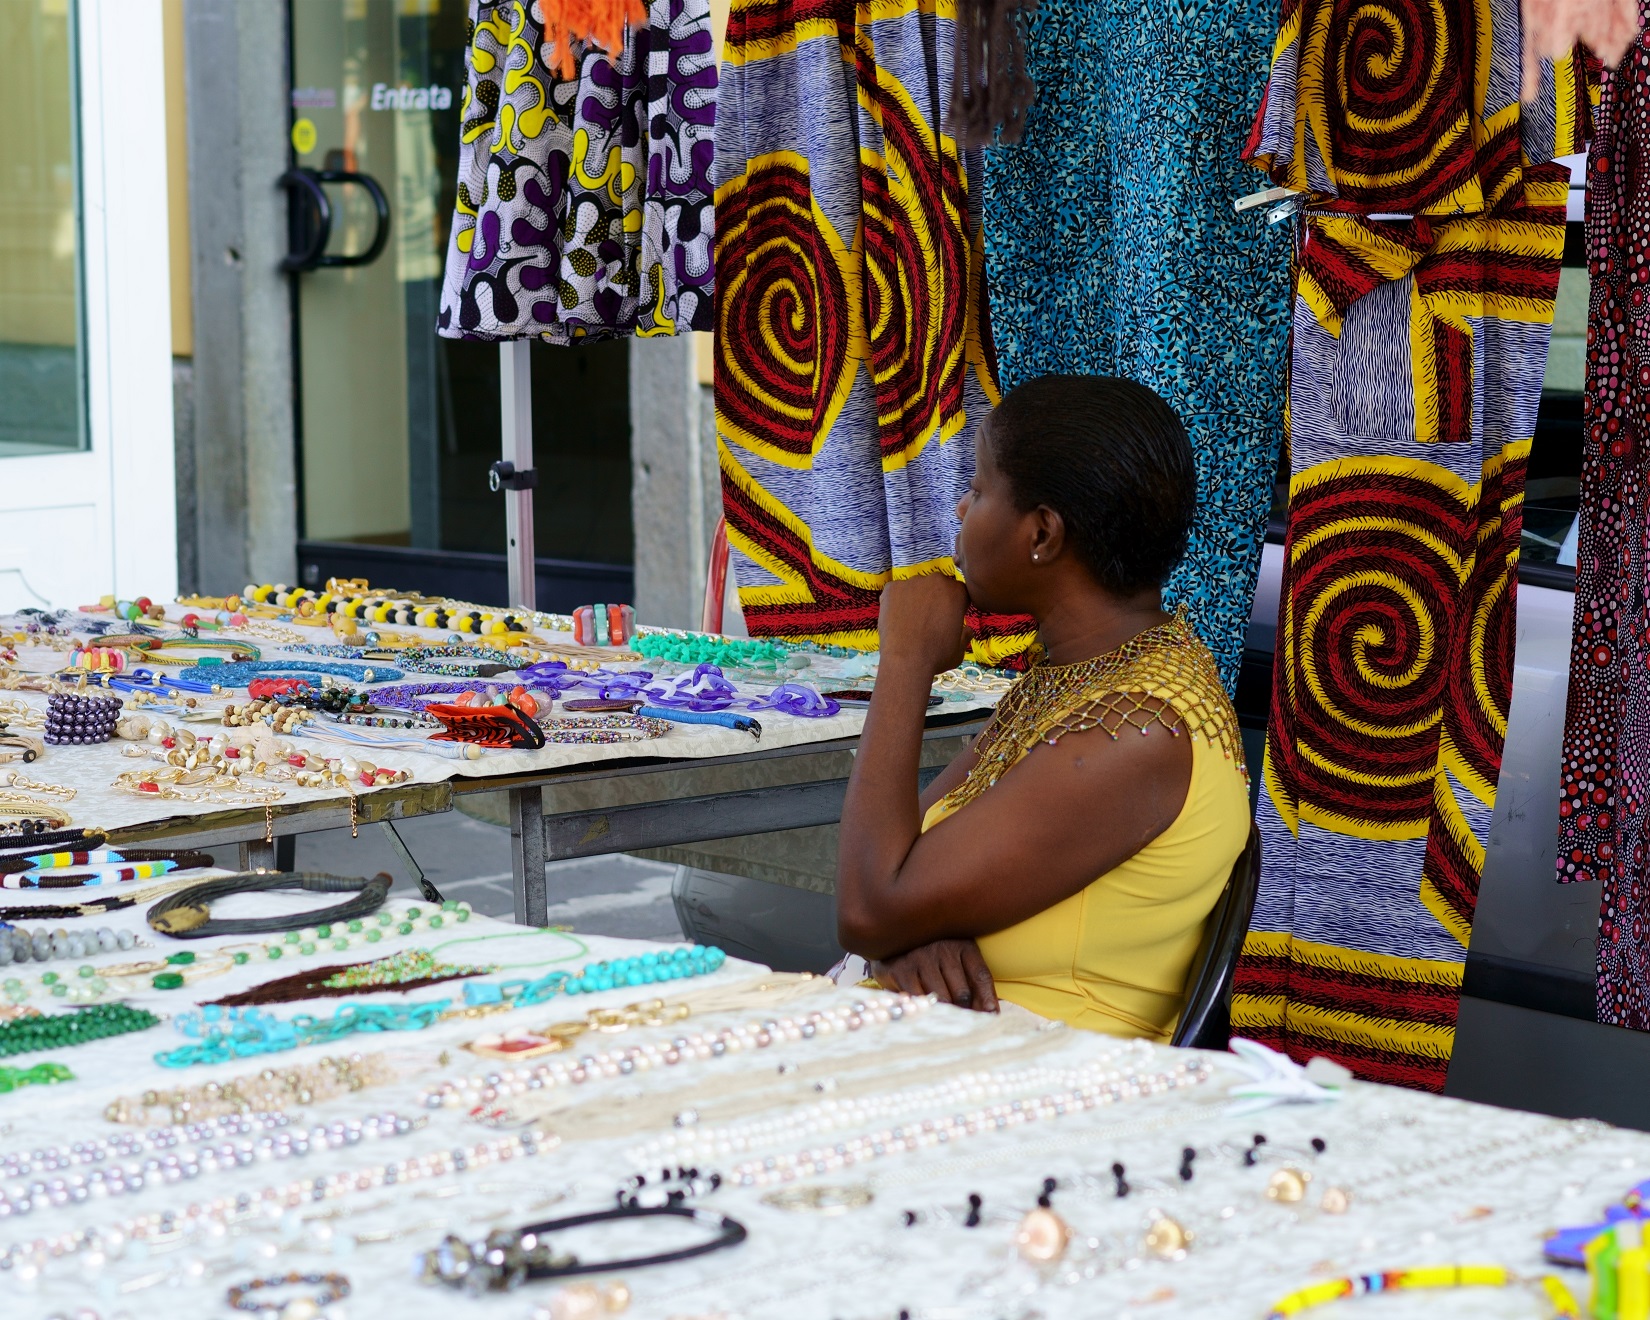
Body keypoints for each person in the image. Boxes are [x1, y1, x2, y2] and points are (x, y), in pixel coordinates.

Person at [834, 374, 1252, 1039]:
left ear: (1043, 533)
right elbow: (893, 866)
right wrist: (907, 933)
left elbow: (869, 901)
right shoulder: (1079, 678)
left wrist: (905, 662)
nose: (962, 513)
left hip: (1040, 1097)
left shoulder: (1137, 733)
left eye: (977, 490)